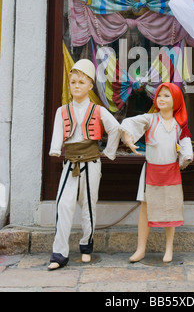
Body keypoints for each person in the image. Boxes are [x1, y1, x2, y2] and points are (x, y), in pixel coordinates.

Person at [48, 59, 120, 270]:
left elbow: (115, 128)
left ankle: (86, 246)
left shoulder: (98, 110)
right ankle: (59, 253)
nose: (76, 86)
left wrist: (109, 152)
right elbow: (57, 134)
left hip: (91, 162)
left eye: (81, 82)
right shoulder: (62, 111)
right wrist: (55, 148)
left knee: (89, 205)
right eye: (73, 82)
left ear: (90, 86)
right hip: (70, 163)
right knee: (63, 204)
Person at [120, 82, 193, 263]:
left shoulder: (179, 125)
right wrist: (128, 139)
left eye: (167, 96)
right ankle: (141, 248)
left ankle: (169, 248)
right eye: (159, 95)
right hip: (151, 171)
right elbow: (129, 123)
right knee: (146, 208)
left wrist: (186, 157)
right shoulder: (150, 119)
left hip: (171, 172)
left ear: (176, 100)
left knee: (171, 210)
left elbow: (185, 144)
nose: (161, 99)